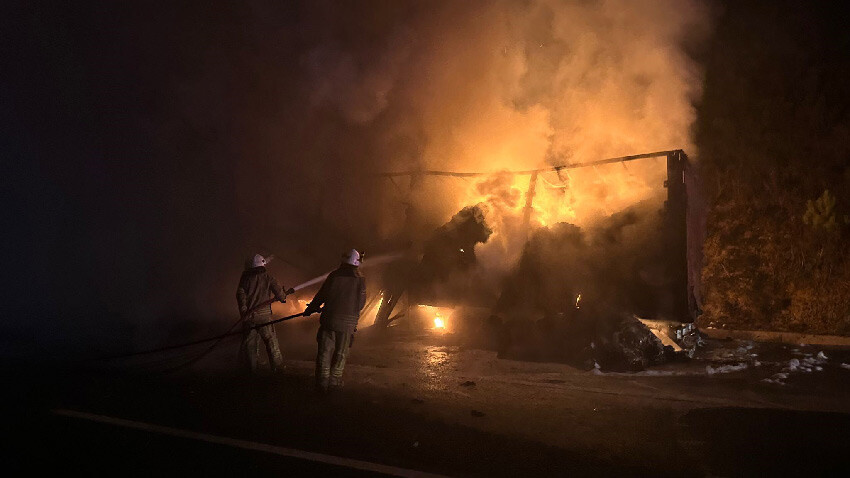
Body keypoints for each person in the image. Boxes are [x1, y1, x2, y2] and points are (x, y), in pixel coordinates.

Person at [304, 249, 366, 392]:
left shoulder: (334, 275)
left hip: (329, 321)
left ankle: (322, 382)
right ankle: (334, 381)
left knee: (324, 352)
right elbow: (361, 303)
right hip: (347, 325)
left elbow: (322, 295)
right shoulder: (361, 279)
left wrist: (311, 309)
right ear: (357, 262)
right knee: (341, 353)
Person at [236, 254, 292, 373]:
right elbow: (280, 295)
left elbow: (240, 295)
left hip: (249, 317)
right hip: (265, 317)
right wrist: (283, 296)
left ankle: (252, 368)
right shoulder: (268, 278)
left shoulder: (245, 279)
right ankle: (277, 367)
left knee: (250, 345)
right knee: (271, 342)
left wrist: (244, 311)